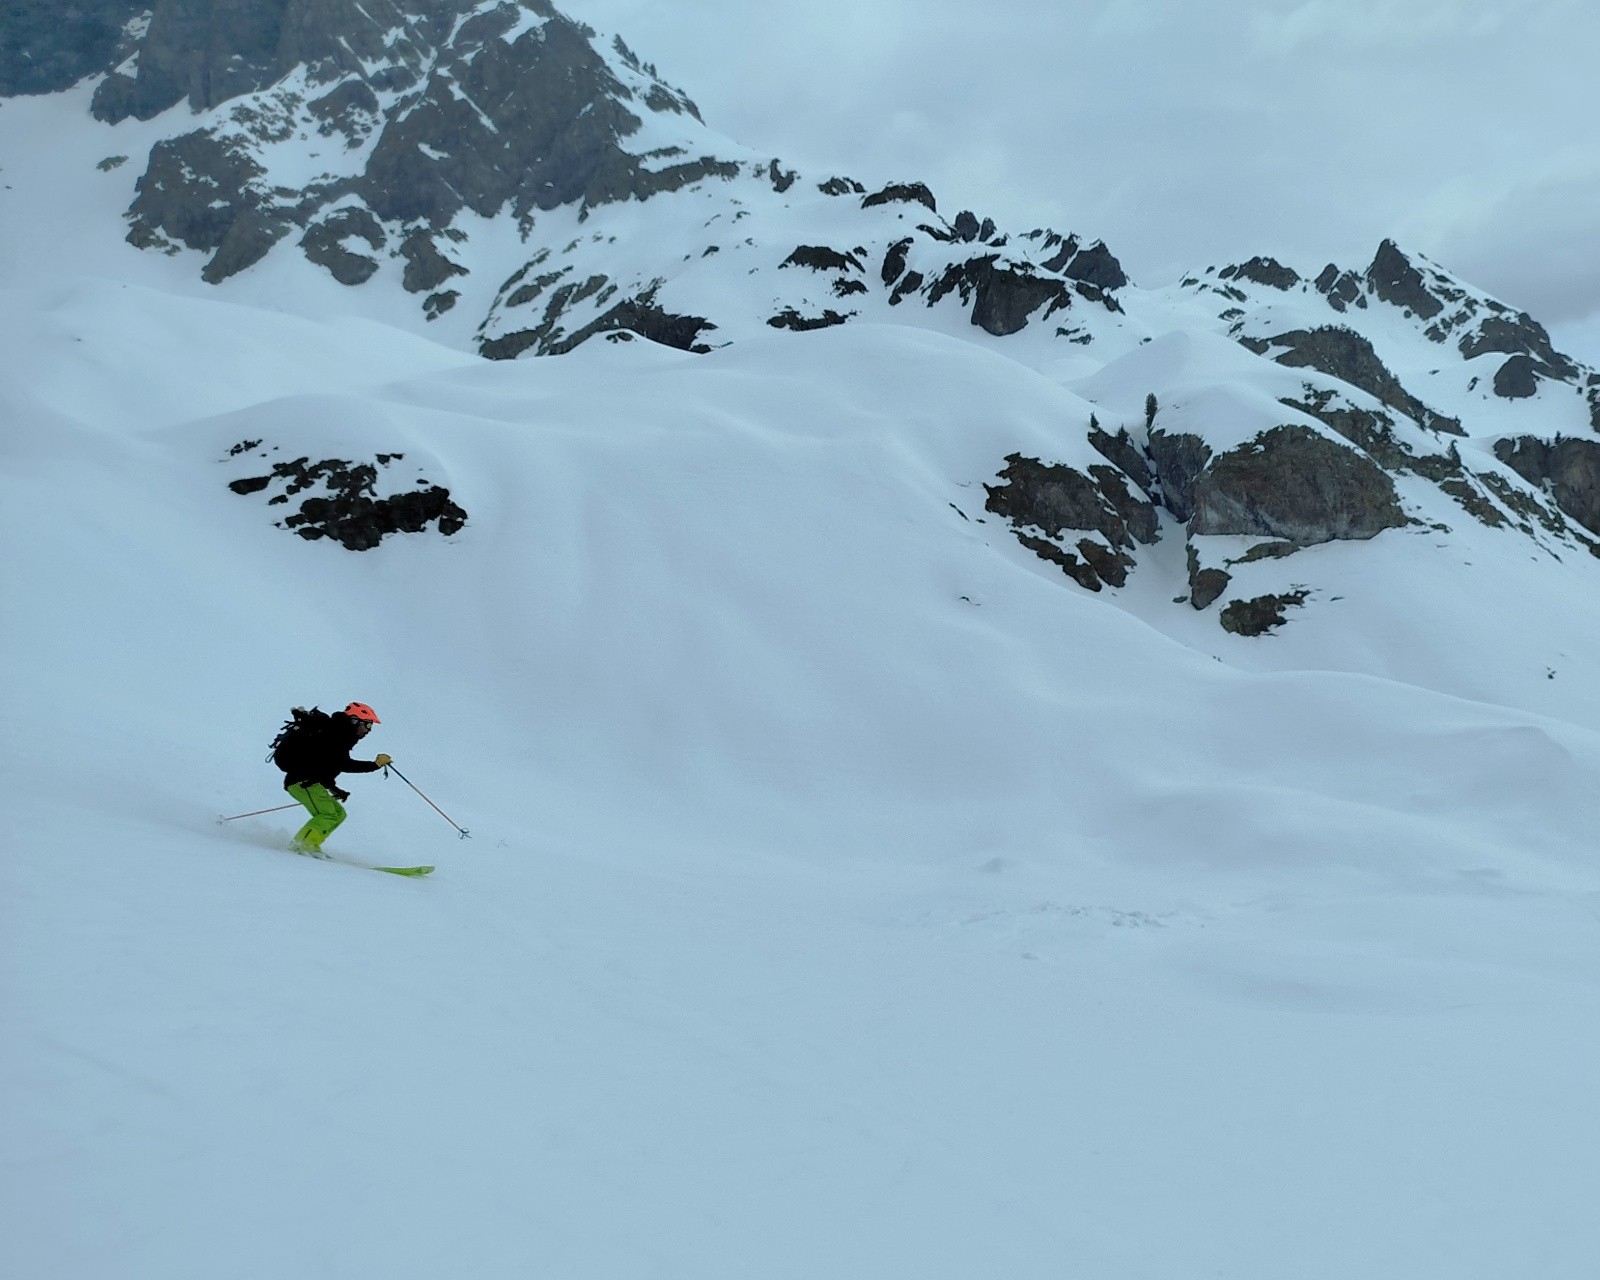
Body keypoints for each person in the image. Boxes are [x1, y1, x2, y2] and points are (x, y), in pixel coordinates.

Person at [280, 701, 392, 857]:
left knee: (339, 813)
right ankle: (303, 845)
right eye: (367, 725)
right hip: (302, 782)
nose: (369, 730)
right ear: (354, 720)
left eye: (370, 726)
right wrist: (375, 765)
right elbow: (343, 764)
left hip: (308, 781)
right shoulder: (337, 734)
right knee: (329, 814)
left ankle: (310, 844)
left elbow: (327, 765)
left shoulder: (339, 733)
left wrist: (334, 788)